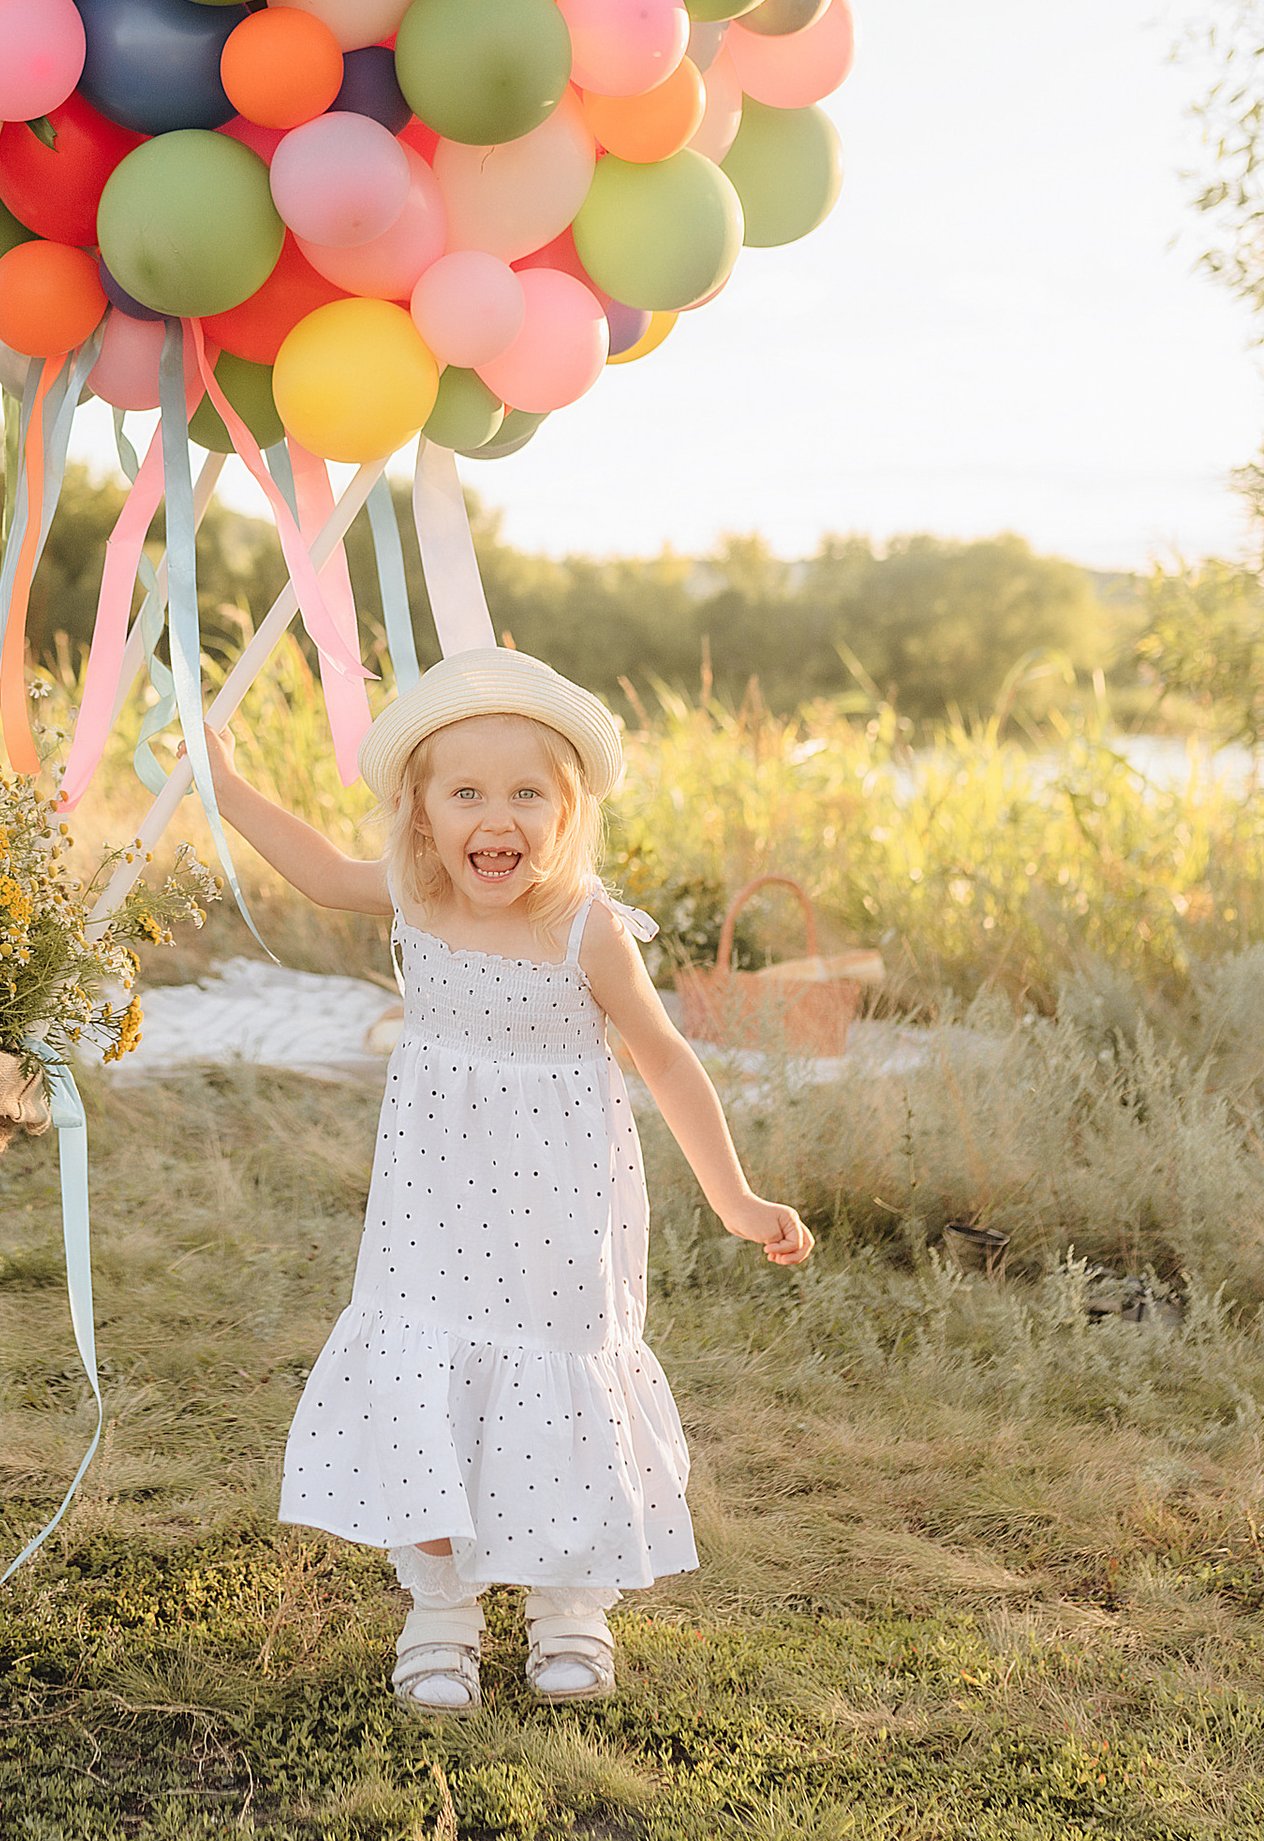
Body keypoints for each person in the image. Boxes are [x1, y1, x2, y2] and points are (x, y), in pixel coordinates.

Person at [204, 648, 811, 1714]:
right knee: (422, 1364)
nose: (499, 818)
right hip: (434, 1194)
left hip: (560, 1200)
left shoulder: (586, 929)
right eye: (468, 792)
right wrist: (224, 782)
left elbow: (666, 1059)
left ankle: (570, 1611)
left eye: (527, 793)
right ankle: (440, 1612)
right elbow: (311, 867)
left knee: (561, 1373)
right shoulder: (410, 893)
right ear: (423, 811)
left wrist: (735, 1197)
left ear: (568, 810)